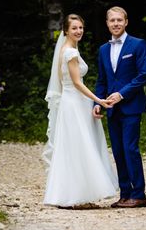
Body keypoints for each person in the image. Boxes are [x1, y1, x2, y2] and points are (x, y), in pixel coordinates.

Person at [43, 14, 118, 208]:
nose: (78, 31)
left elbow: (64, 82)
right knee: (80, 146)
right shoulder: (70, 53)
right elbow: (76, 82)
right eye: (74, 28)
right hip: (75, 102)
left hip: (71, 102)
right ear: (66, 30)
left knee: (74, 147)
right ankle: (75, 198)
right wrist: (98, 99)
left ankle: (73, 196)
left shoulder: (65, 49)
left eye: (81, 28)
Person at [94, 6, 146, 208]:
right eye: (112, 20)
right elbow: (102, 79)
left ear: (126, 22)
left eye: (119, 20)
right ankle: (125, 194)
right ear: (107, 23)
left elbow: (142, 75)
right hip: (111, 108)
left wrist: (121, 94)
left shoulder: (138, 45)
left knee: (130, 149)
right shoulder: (103, 50)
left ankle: (139, 194)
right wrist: (97, 102)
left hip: (131, 106)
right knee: (117, 150)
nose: (116, 24)